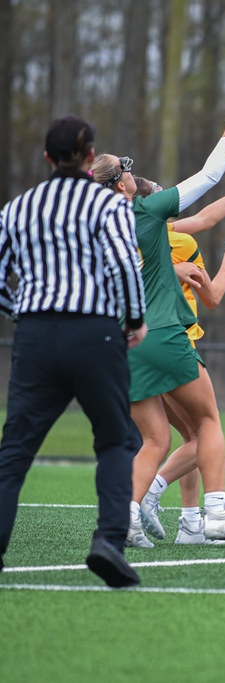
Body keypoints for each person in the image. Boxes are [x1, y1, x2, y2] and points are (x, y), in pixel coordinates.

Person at [91, 99, 225, 546]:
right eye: (126, 170)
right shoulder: (145, 211)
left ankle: (123, 518)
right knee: (208, 422)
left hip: (119, 346)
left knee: (154, 441)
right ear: (120, 185)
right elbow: (207, 178)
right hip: (163, 333)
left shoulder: (94, 230)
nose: (133, 173)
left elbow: (196, 223)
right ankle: (217, 513)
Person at [0, 116, 147, 587]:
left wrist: (22, 313)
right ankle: (108, 540)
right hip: (95, 333)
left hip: (36, 336)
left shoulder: (16, 209)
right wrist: (135, 319)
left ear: (46, 158)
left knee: (15, 450)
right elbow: (125, 264)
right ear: (89, 159)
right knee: (115, 438)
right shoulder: (106, 206)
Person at [133, 171, 225, 544]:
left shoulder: (126, 232)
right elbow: (213, 297)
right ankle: (153, 496)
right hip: (175, 342)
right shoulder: (174, 241)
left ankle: (190, 523)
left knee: (184, 435)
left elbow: (207, 216)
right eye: (158, 194)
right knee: (205, 429)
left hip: (137, 347)